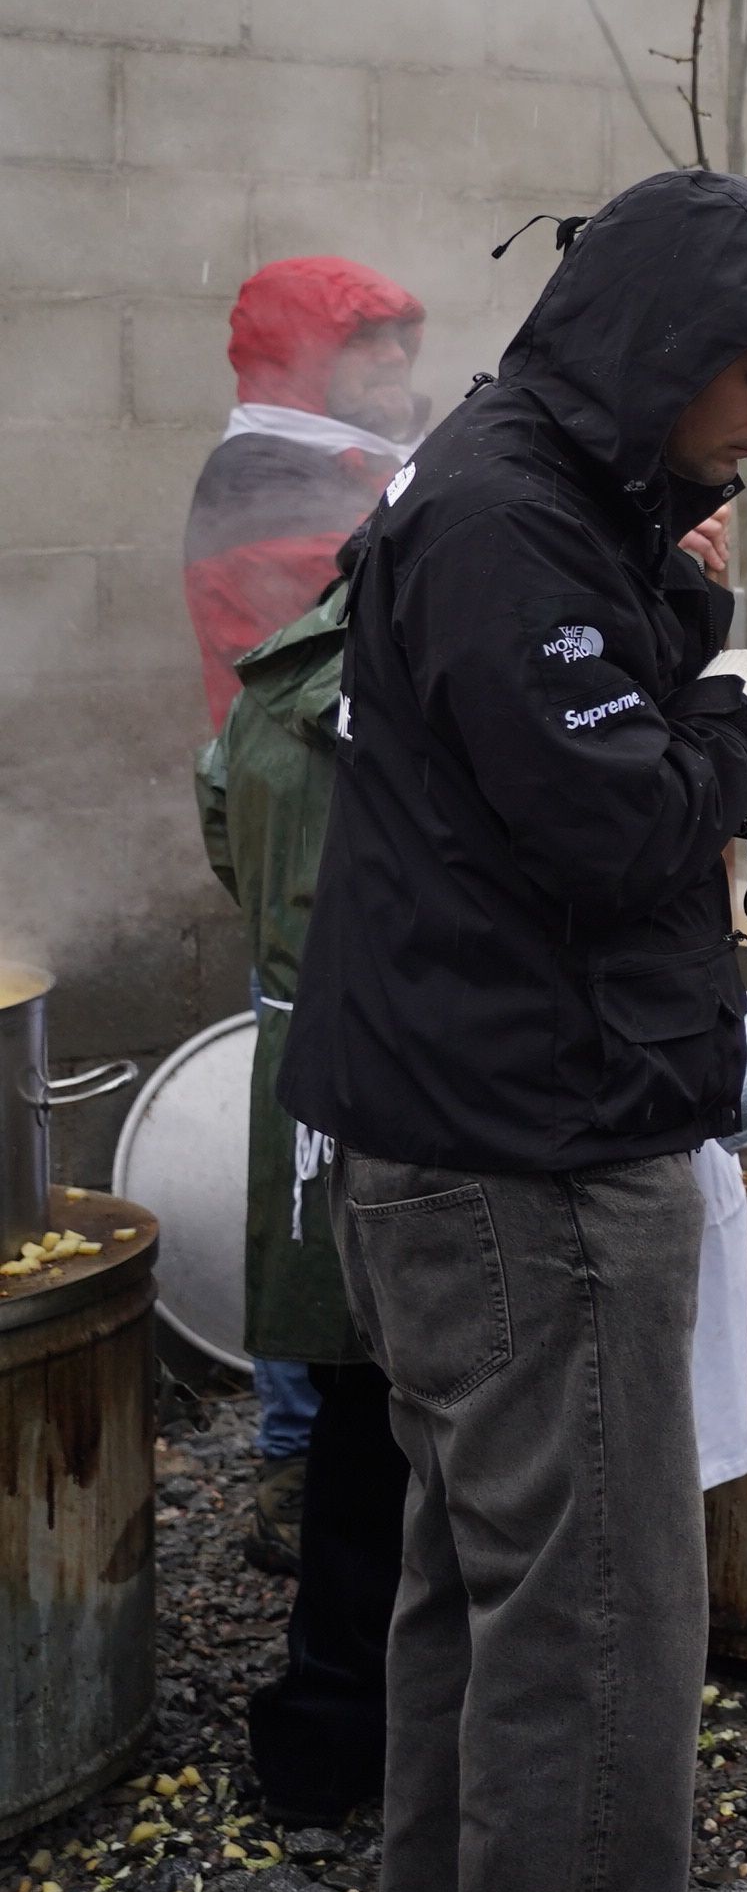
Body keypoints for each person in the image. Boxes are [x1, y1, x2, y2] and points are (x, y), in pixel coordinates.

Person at [283, 167, 747, 1892]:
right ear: (663, 343)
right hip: (527, 1156)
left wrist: (706, 659)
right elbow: (612, 828)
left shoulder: (550, 487)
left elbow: (584, 734)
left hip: (472, 1125)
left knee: (493, 1603)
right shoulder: (501, 519)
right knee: (602, 1636)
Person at [182, 257, 429, 1555]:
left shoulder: (350, 460)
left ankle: (324, 1444)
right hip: (302, 845)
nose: (399, 373)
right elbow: (386, 587)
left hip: (345, 835)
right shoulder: (267, 485)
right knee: (305, 1155)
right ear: (297, 362)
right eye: (370, 352)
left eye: (403, 347)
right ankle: (296, 1461)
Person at [185, 258, 429, 733]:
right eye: (364, 338)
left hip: (374, 759)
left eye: (399, 337)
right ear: (292, 361)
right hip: (309, 775)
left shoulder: (367, 455)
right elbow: (407, 605)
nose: (396, 356)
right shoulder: (257, 478)